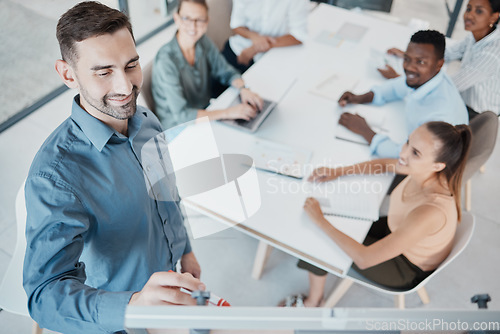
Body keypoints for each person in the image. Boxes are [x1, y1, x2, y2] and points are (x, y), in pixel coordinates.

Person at [23, 2, 205, 333]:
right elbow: (44, 294)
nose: (125, 87)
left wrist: (186, 251)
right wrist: (133, 307)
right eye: (104, 72)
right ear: (68, 74)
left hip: (168, 288)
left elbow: (166, 195)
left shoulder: (146, 122)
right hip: (115, 318)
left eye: (131, 65)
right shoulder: (55, 175)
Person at [284, 121, 471, 307]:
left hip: (405, 267)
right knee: (329, 226)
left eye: (415, 153)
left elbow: (364, 259)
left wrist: (320, 221)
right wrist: (339, 172)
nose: (403, 153)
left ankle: (314, 301)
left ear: (438, 166)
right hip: (398, 229)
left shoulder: (430, 211)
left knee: (321, 237)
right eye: (408, 142)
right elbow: (385, 165)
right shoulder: (422, 171)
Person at [338, 30, 468, 159]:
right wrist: (359, 98)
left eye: (420, 62)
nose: (409, 67)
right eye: (407, 59)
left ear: (439, 64)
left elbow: (405, 154)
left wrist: (364, 130)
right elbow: (395, 88)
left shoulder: (439, 118)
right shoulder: (429, 77)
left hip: (430, 165)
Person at [379, 0, 500, 118]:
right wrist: (411, 56)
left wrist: (400, 79)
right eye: (469, 9)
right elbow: (448, 53)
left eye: (479, 11)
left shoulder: (490, 55)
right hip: (462, 95)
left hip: (475, 111)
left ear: (493, 17)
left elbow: (449, 86)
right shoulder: (479, 34)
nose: (469, 15)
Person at [152, 0, 263, 130]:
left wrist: (243, 89)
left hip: (205, 116)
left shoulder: (203, 42)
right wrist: (228, 112)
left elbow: (227, 72)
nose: (193, 27)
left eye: (199, 20)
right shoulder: (165, 61)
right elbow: (182, 116)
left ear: (207, 22)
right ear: (176, 18)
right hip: (178, 130)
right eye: (187, 18)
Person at [221, 0, 309, 73]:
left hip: (275, 54)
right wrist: (254, 37)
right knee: (218, 86)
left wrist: (256, 48)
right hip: (238, 49)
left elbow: (298, 35)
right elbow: (236, 24)